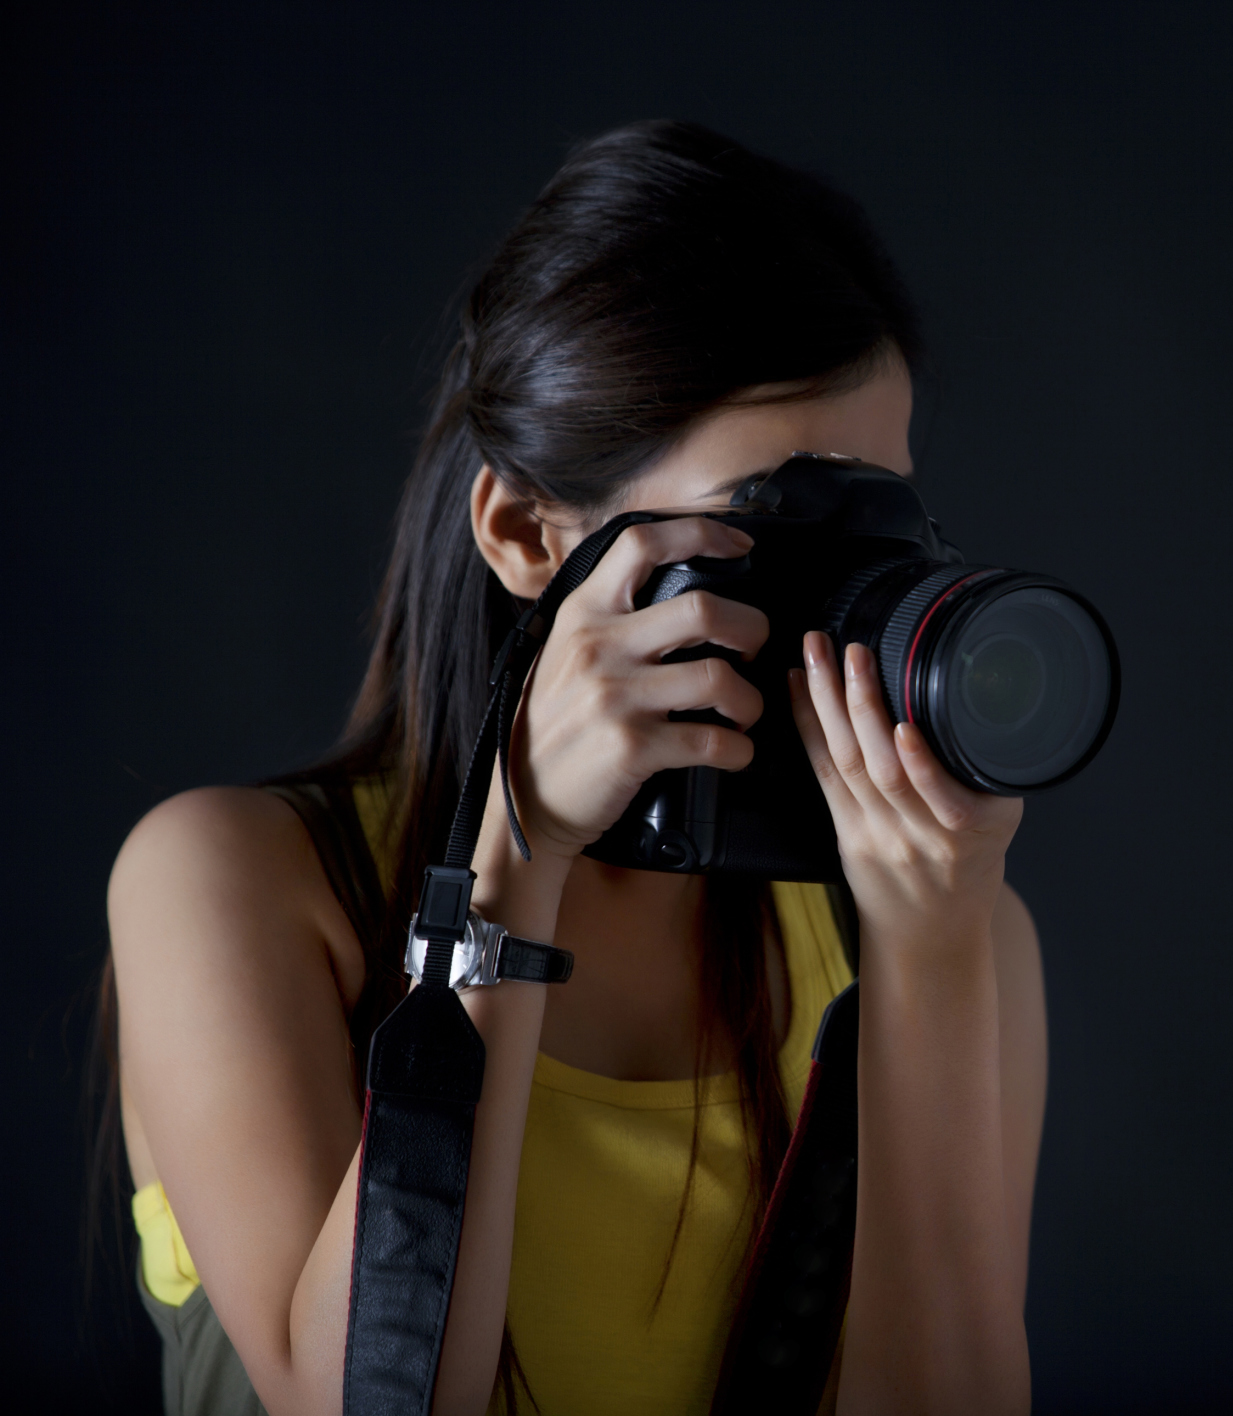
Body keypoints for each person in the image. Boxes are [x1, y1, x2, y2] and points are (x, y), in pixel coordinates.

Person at [101, 119, 1045, 1416]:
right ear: (528, 534)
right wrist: (517, 842)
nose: (841, 603)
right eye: (774, 532)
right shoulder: (233, 882)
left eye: (876, 524)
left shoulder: (923, 930)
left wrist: (936, 955)